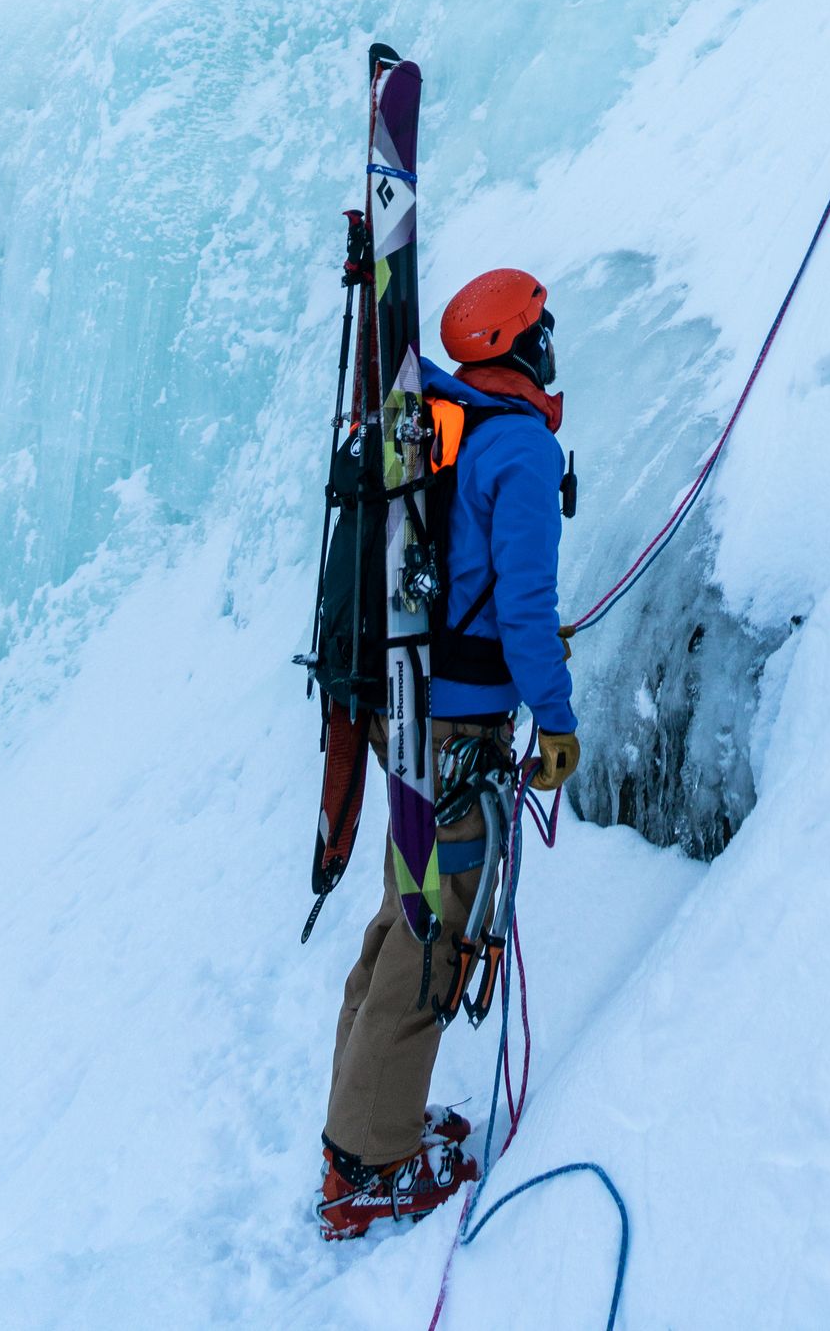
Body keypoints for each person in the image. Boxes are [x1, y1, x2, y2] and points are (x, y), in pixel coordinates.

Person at [319, 267, 581, 1242]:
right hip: (461, 731)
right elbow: (521, 611)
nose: (549, 350)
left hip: (405, 715)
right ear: (518, 349)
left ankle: (362, 1126)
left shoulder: (435, 409)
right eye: (540, 335)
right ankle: (369, 1166)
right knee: (434, 934)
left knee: (404, 910)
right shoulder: (516, 445)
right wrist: (553, 721)